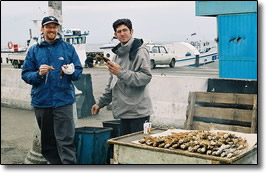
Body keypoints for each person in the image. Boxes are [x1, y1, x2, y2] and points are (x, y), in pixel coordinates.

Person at [21, 16, 82, 164]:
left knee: (66, 141)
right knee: (48, 143)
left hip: (63, 102)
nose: (52, 29)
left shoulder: (68, 48)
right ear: (42, 29)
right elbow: (25, 74)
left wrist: (71, 72)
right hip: (42, 103)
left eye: (54, 27)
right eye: (48, 27)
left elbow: (78, 72)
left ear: (57, 29)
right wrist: (38, 74)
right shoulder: (34, 50)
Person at [91, 18, 153, 135]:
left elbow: (146, 77)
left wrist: (121, 72)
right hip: (124, 113)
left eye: (125, 30)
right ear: (115, 35)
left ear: (131, 31)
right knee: (126, 148)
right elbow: (112, 84)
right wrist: (100, 103)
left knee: (138, 148)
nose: (122, 33)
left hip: (139, 113)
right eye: (119, 31)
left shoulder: (140, 51)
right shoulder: (117, 55)